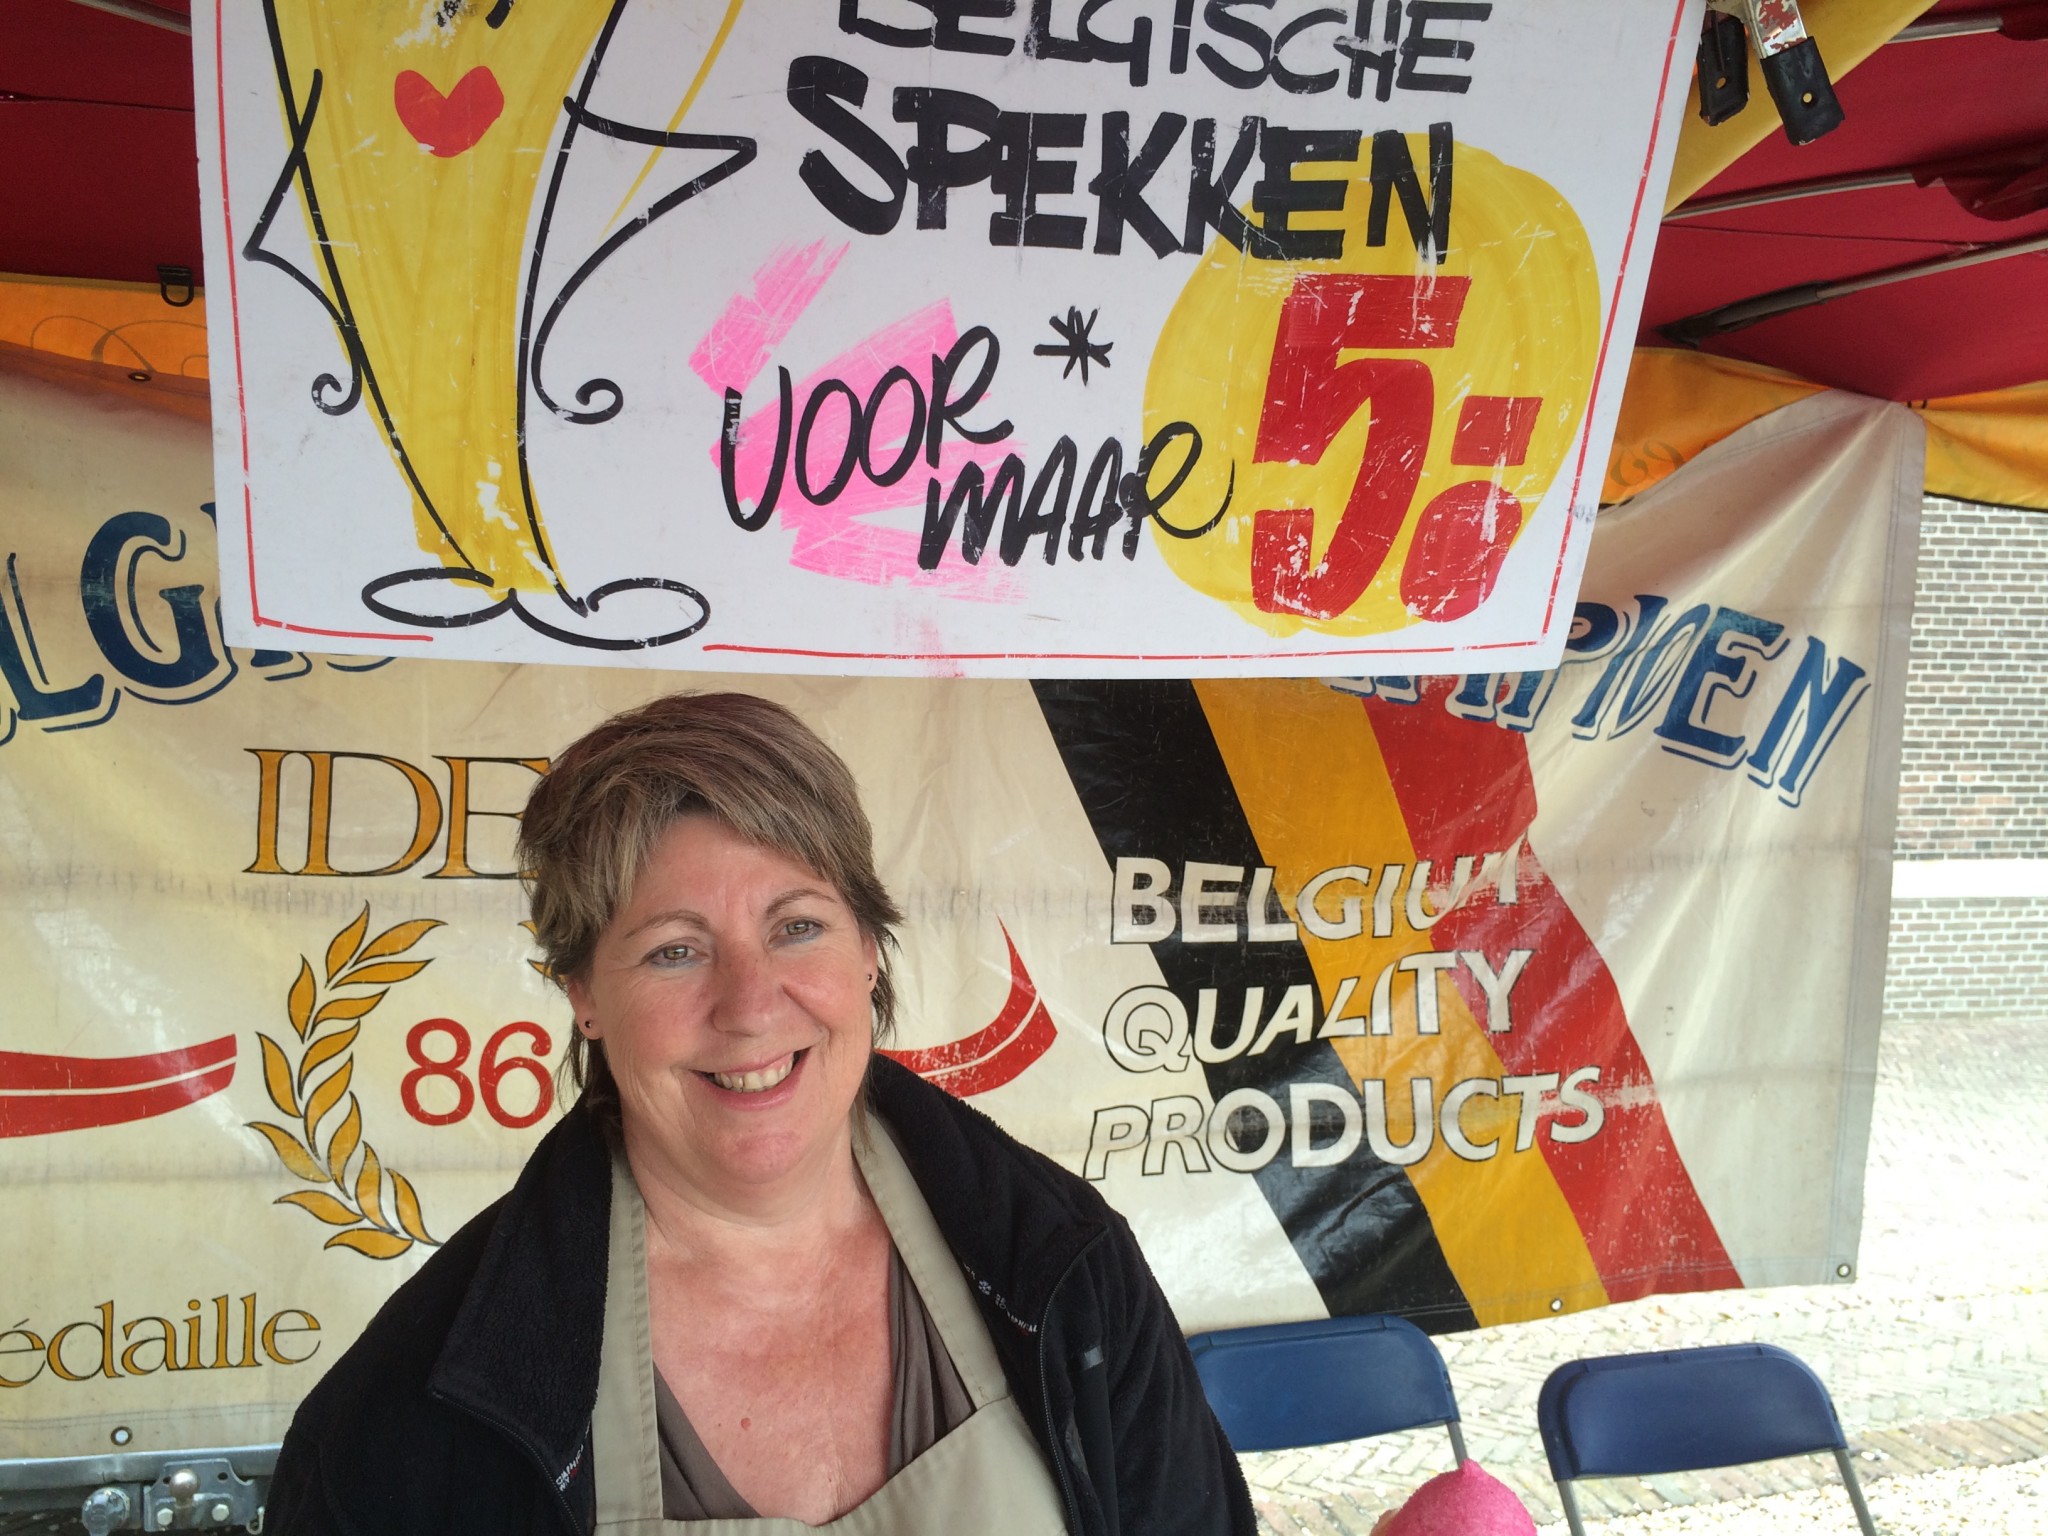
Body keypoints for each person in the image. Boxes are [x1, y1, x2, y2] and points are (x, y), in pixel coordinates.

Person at [264, 691, 1254, 1535]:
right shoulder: (406, 1419)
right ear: (584, 996)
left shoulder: (1063, 1267)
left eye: (797, 927)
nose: (748, 1006)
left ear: (869, 949)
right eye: (674, 950)